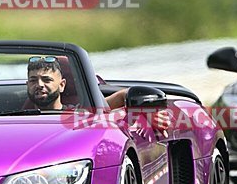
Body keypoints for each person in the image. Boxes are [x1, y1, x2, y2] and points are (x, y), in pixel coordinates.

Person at [26, 56, 171, 132]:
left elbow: (123, 96)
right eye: (33, 80)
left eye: (47, 80)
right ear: (27, 85)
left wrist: (147, 109)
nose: (39, 85)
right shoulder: (8, 116)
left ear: (62, 85)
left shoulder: (81, 113)